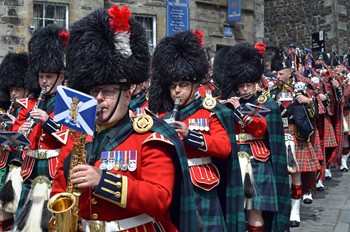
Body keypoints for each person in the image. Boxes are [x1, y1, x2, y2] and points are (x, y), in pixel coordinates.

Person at [50, 5, 199, 232]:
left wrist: (103, 180)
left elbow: (159, 199)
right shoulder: (77, 136)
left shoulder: (150, 136)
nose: (99, 99)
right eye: (93, 91)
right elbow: (59, 192)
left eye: (108, 91)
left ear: (127, 95)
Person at [148, 29, 245, 232]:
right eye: (173, 85)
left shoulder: (208, 112)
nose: (176, 91)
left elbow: (224, 147)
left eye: (182, 85)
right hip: (173, 183)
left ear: (194, 86)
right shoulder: (164, 116)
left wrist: (189, 134)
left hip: (202, 185)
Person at [216, 42, 290, 232]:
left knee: (254, 211)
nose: (246, 90)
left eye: (249, 85)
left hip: (256, 160)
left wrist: (240, 111)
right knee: (238, 212)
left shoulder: (264, 104)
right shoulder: (229, 103)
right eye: (242, 86)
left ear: (256, 84)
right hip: (235, 158)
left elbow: (260, 129)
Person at [7, 24, 69, 231]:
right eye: (41, 76)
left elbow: (72, 138)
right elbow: (15, 137)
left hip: (54, 169)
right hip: (30, 167)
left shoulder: (70, 103)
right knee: (21, 220)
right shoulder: (30, 104)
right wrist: (20, 133)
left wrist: (47, 121)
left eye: (49, 77)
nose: (44, 81)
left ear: (60, 77)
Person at [270, 58, 320, 227]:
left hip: (294, 135)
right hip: (277, 134)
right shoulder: (270, 91)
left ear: (290, 73)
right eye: (276, 73)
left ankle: (295, 210)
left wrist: (309, 102)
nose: (277, 76)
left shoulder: (299, 89)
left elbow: (312, 115)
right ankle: (282, 208)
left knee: (296, 174)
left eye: (280, 73)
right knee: (279, 174)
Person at [0, 52, 31, 231]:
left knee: (13, 208)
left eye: (17, 89)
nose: (13, 93)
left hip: (20, 165)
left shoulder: (29, 109)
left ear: (26, 89)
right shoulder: (7, 109)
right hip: (5, 161)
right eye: (11, 89)